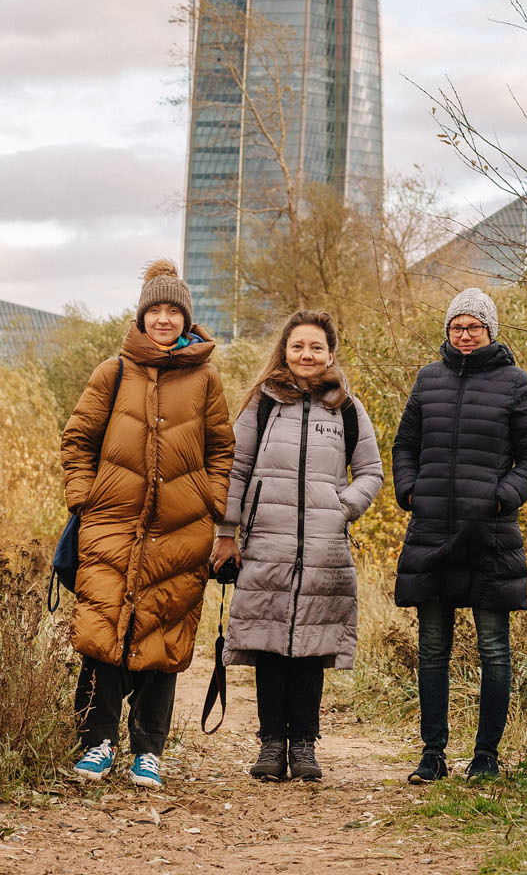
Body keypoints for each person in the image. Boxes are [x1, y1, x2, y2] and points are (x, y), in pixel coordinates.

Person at [61, 258, 234, 790]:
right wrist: (84, 501)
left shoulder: (206, 378)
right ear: (141, 317)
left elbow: (224, 450)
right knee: (102, 632)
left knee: (164, 639)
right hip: (111, 524)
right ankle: (96, 745)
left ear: (186, 318)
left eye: (172, 311)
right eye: (154, 310)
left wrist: (213, 504)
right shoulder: (111, 372)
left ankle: (148, 752)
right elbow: (78, 441)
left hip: (183, 529)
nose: (163, 319)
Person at [210, 308, 383, 783]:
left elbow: (370, 472)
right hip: (265, 542)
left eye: (316, 347)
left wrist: (341, 505)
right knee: (269, 645)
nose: (307, 355)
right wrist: (227, 533)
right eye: (298, 346)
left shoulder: (347, 408)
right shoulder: (261, 404)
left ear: (330, 353)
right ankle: (270, 744)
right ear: (284, 351)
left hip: (324, 549)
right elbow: (236, 471)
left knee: (310, 648)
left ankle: (304, 744)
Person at [392, 286, 527, 784]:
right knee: (433, 649)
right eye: (457, 326)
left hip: (491, 537)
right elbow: (404, 446)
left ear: (490, 331)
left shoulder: (515, 383)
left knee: (493, 650)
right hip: (431, 533)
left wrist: (502, 497)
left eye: (473, 327)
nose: (464, 334)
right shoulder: (427, 379)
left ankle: (486, 756)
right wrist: (409, 491)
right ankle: (432, 754)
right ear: (448, 330)